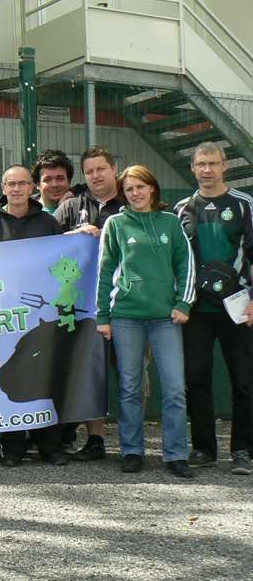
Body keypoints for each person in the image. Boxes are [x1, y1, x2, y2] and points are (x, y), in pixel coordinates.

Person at [97, 166, 195, 478]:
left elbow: (186, 264)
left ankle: (176, 454)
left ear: (152, 188)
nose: (135, 193)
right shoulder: (116, 224)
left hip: (166, 318)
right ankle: (132, 451)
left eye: (140, 187)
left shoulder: (171, 222)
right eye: (129, 189)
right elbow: (104, 271)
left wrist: (183, 303)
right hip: (126, 317)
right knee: (130, 386)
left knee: (175, 387)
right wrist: (103, 316)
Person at [0, 165, 66, 466]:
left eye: (21, 184)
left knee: (46, 376)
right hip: (4, 315)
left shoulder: (47, 222)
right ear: (2, 188)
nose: (15, 189)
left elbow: (62, 259)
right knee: (12, 376)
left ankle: (49, 445)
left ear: (32, 188)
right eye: (10, 184)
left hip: (42, 313)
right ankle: (12, 446)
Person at [175, 142, 253, 475]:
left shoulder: (245, 204)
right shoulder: (182, 208)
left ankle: (243, 450)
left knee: (245, 381)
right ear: (193, 168)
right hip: (196, 311)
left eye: (213, 163)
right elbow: (178, 262)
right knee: (197, 379)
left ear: (225, 167)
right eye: (201, 164)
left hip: (238, 308)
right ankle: (204, 449)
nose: (207, 169)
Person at [53, 147, 124, 461]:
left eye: (101, 169)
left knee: (130, 374)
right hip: (81, 306)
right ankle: (93, 439)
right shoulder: (71, 206)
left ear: (114, 169)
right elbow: (47, 247)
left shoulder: (130, 203)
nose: (96, 176)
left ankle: (132, 443)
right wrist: (75, 234)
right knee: (89, 372)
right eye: (90, 171)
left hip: (126, 305)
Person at [32, 150, 74, 214]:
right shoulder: (24, 209)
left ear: (69, 181)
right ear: (37, 184)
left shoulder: (80, 209)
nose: (54, 185)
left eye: (60, 178)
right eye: (47, 180)